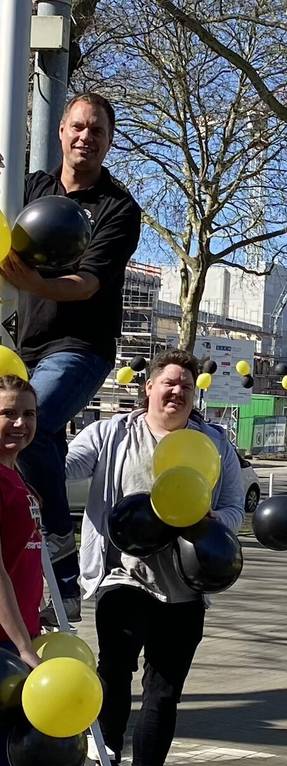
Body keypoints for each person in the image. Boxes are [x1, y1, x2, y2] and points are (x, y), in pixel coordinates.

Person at [64, 350, 243, 766]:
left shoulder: (214, 444)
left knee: (163, 695)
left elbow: (234, 508)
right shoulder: (112, 433)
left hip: (184, 590)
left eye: (186, 385)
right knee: (114, 672)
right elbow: (67, 465)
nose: (177, 391)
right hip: (123, 578)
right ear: (147, 387)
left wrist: (203, 524)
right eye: (168, 382)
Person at [0, 92, 142, 626]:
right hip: (22, 341)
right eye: (77, 126)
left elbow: (86, 285)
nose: (86, 137)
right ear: (60, 131)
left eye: (97, 131)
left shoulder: (118, 208)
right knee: (33, 443)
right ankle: (46, 575)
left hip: (80, 349)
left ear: (108, 142)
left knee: (26, 423)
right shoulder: (31, 186)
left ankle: (58, 538)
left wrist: (35, 282)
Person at [0, 375, 65, 766]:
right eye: (6, 413)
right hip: (2, 648)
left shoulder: (15, 475)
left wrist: (37, 611)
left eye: (28, 414)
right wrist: (23, 646)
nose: (18, 425)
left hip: (16, 634)